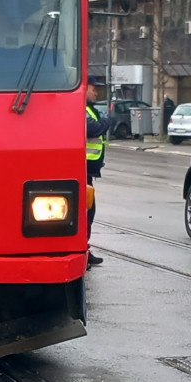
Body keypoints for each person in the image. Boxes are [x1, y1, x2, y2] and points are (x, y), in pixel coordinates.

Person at [85, 81, 109, 268]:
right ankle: (83, 251)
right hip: (81, 168)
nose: (96, 93)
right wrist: (106, 122)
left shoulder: (89, 108)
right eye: (94, 89)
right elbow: (94, 129)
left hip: (87, 169)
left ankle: (84, 250)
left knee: (88, 210)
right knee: (86, 211)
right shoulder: (81, 109)